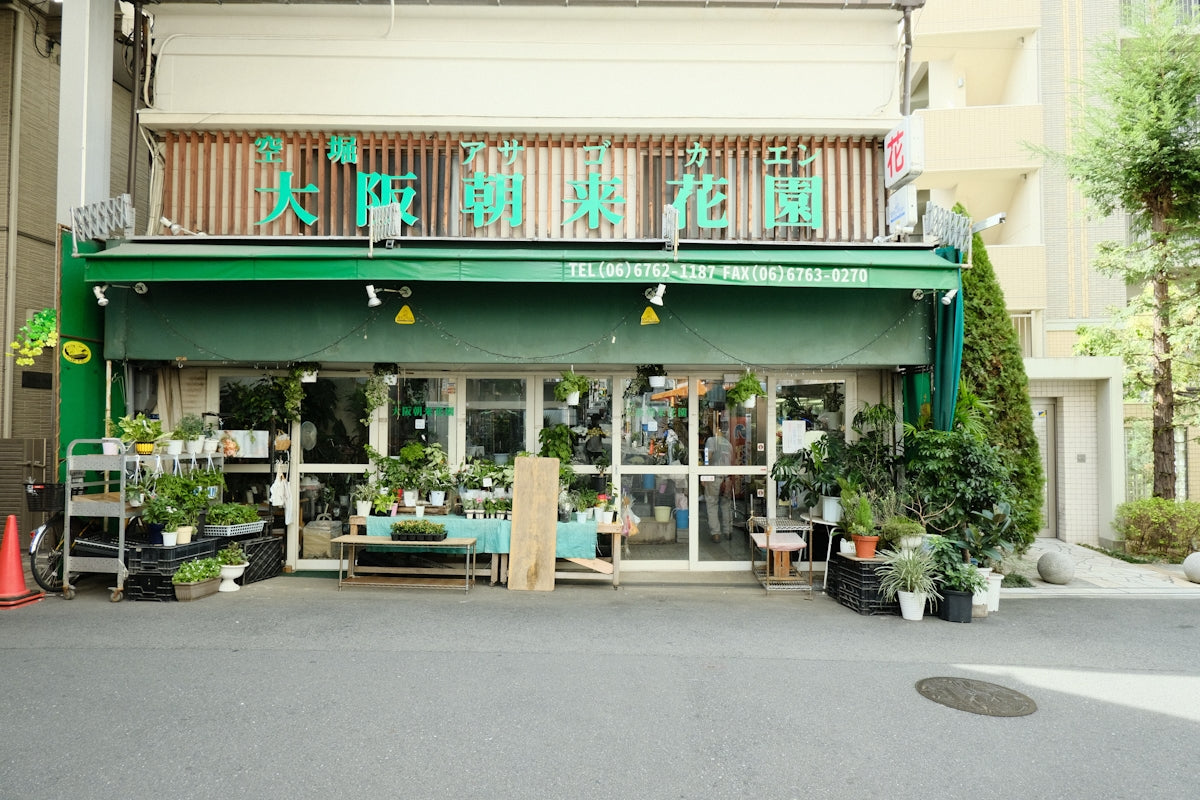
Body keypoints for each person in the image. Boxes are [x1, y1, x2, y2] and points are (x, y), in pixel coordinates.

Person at [702, 425, 733, 542]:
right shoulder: (728, 444)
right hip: (727, 479)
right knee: (726, 505)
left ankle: (716, 533)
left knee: (712, 504)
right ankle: (728, 531)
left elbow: (707, 458)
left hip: (713, 477)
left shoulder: (710, 441)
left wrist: (703, 475)